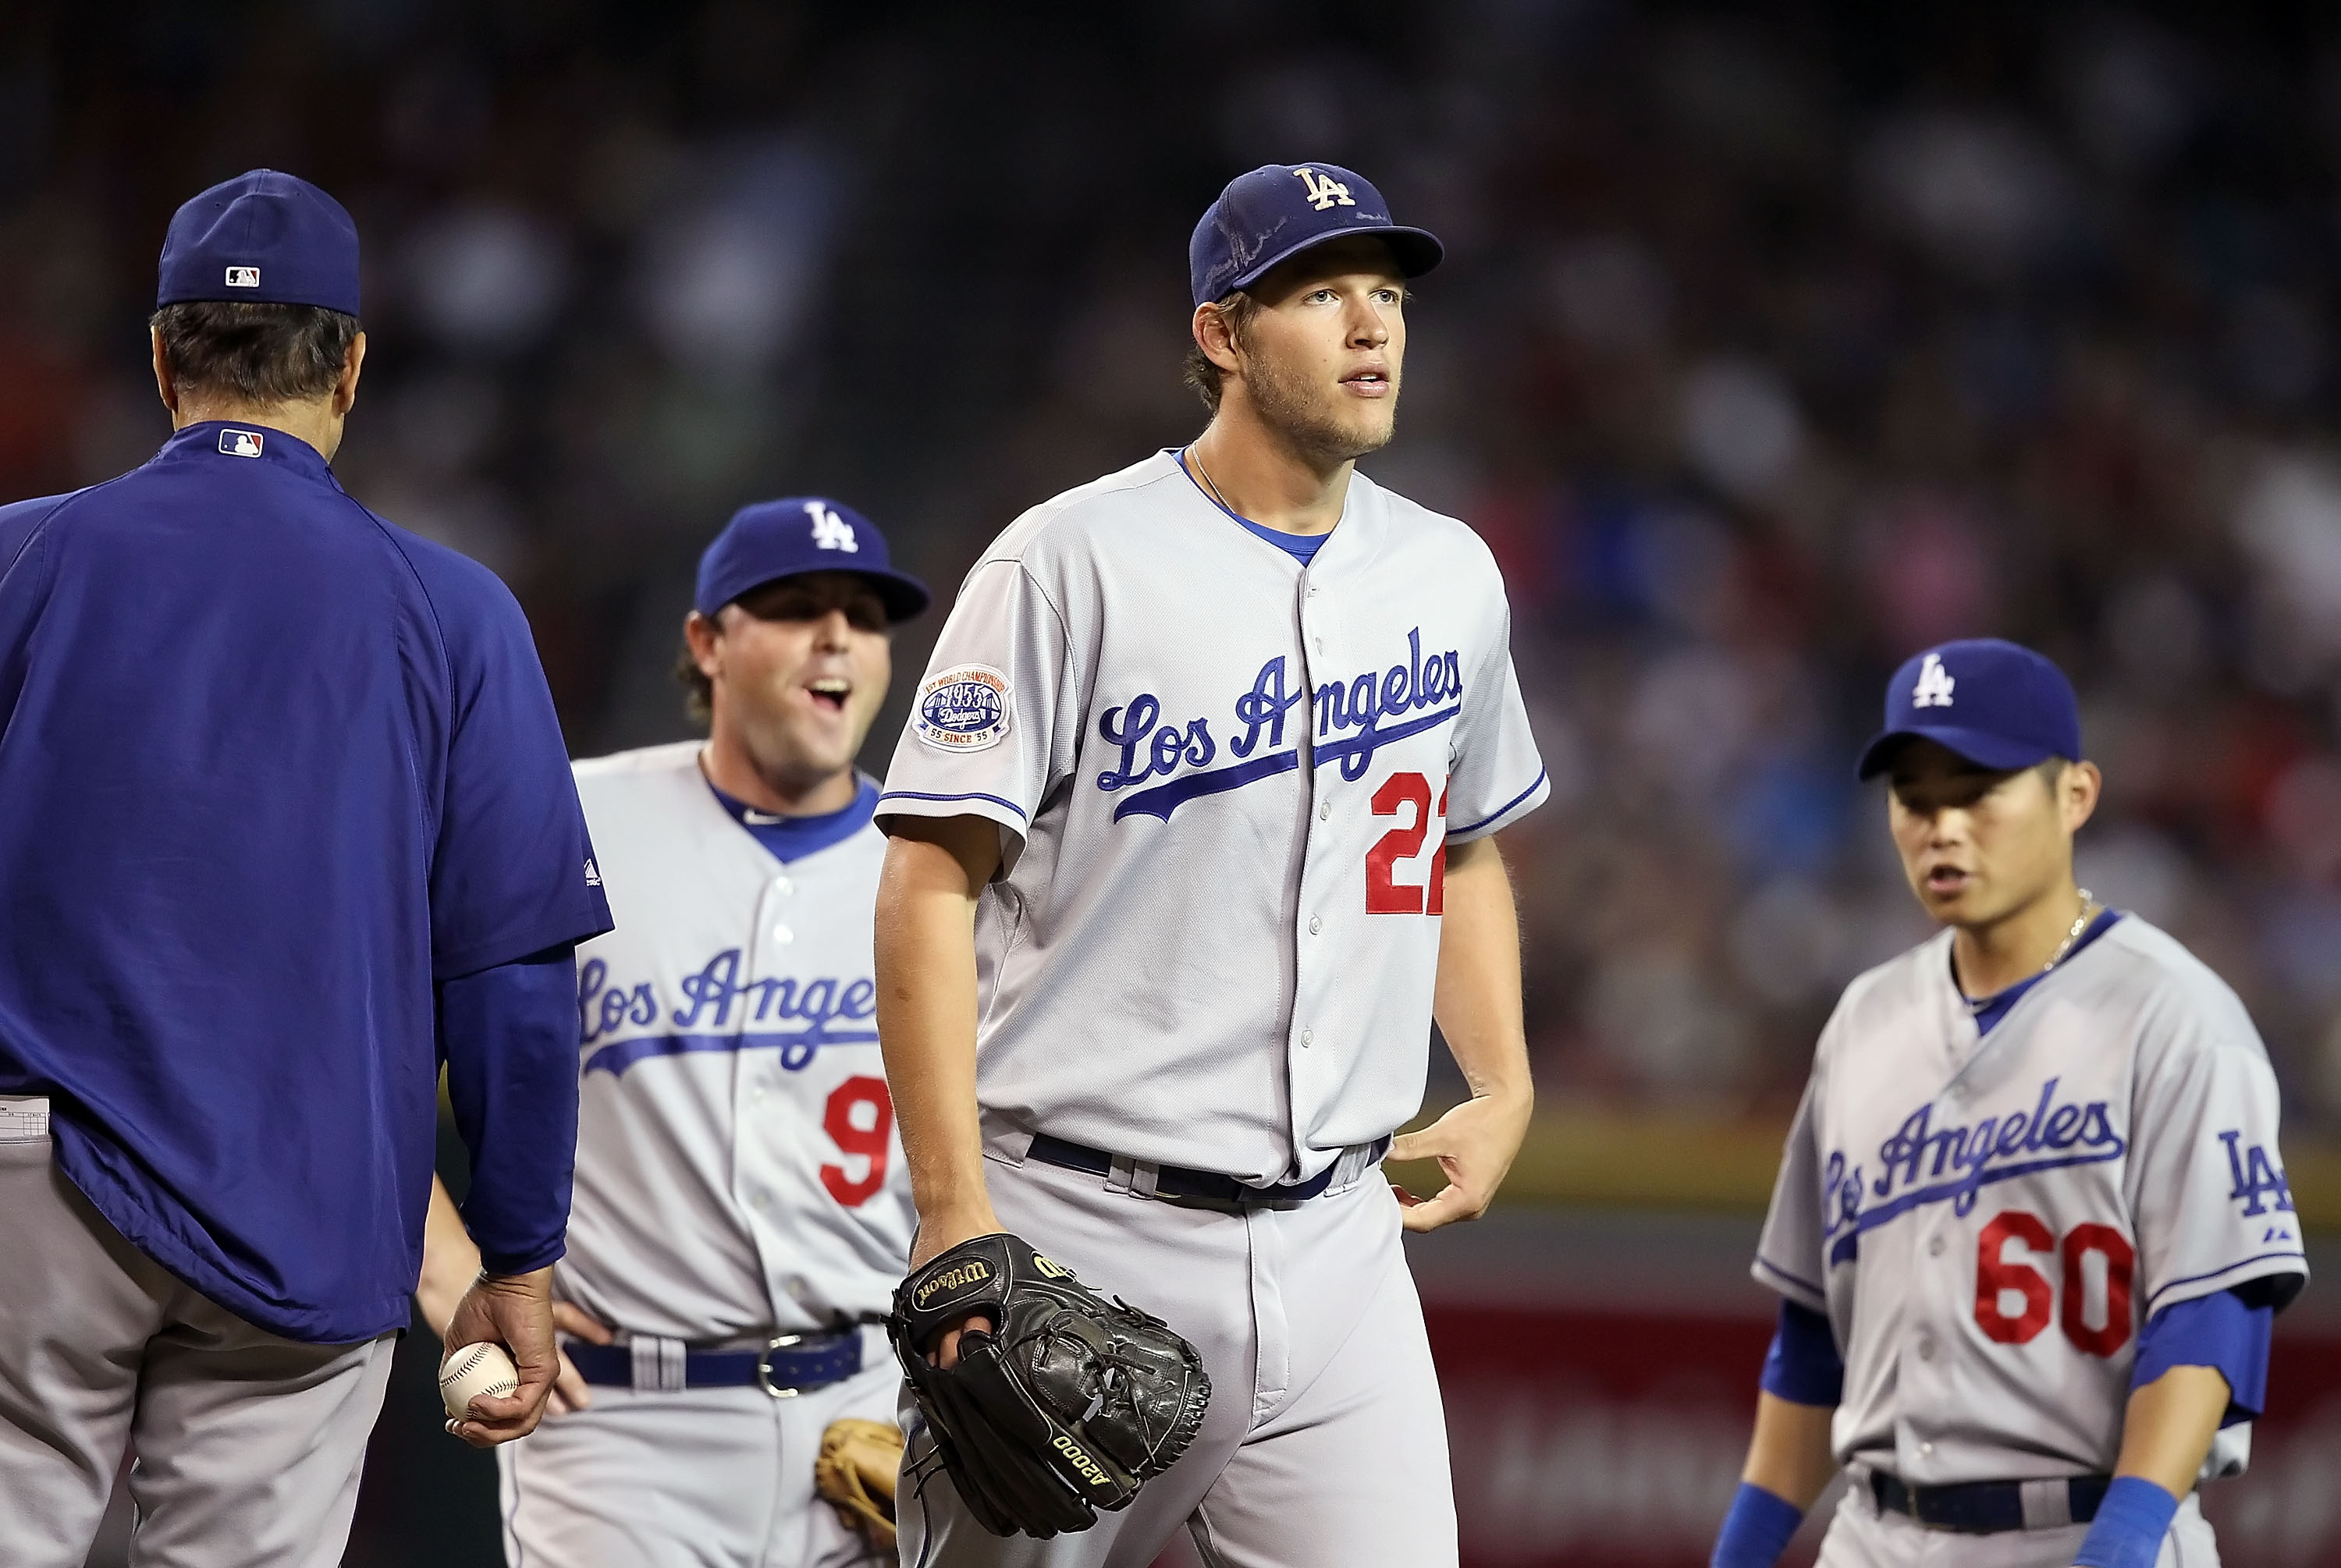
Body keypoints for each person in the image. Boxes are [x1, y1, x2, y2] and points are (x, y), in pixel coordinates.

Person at [872, 161, 1549, 1567]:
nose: (1373, 325)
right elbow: (929, 884)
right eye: (1320, 293)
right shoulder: (1070, 562)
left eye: (1386, 292)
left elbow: (1461, 844)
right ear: (1221, 334)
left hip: (1345, 1240)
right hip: (1082, 1222)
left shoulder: (1449, 575)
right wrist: (954, 1215)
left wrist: (1503, 1081)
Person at [0, 170, 609, 1567]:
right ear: (350, 365)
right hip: (312, 1199)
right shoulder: (455, 612)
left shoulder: (20, 561)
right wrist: (514, 1254)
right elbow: (514, 978)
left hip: (32, 1185)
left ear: (161, 358)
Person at [1711, 639, 2309, 1568]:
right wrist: (1741, 1554)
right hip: (1876, 1536)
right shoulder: (1864, 1021)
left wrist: (2125, 1540)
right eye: (1916, 797)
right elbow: (1815, 1337)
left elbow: (2211, 1311)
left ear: (2075, 795)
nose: (1943, 825)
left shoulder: (2176, 1016)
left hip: (2087, 1525)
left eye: (1978, 789)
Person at [417, 498, 930, 1566]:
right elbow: (361, 1055)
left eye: (865, 614)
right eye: (794, 607)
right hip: (620, 1431)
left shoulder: (940, 871)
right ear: (706, 642)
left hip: (880, 1399)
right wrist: (449, 1265)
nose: (836, 634)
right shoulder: (569, 820)